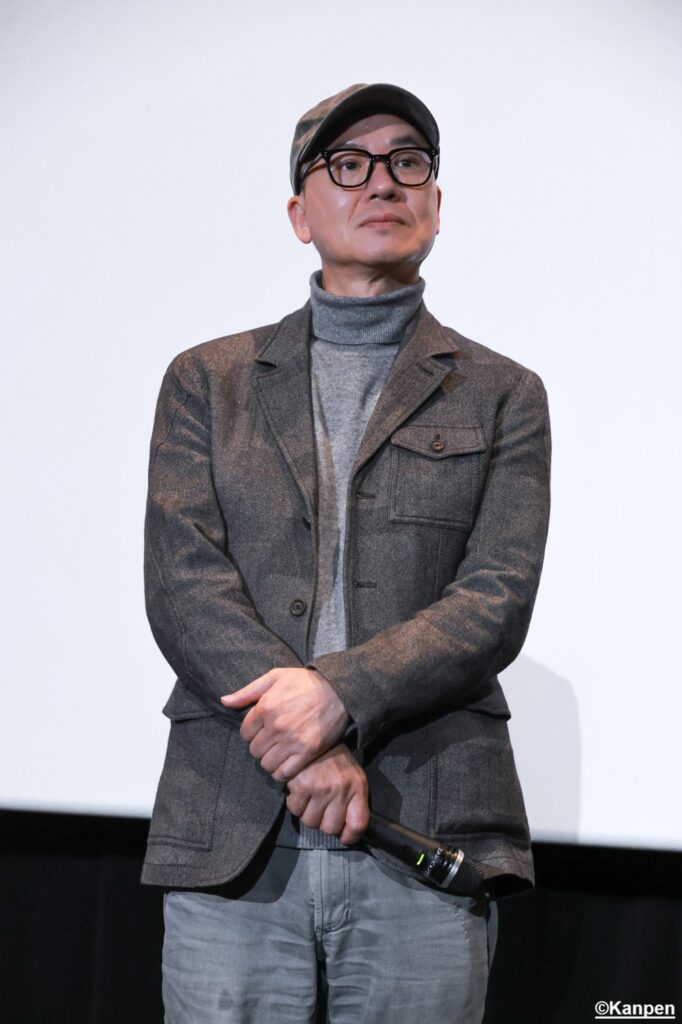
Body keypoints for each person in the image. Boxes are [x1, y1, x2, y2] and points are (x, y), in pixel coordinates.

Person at [141, 82, 551, 1023]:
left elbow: (496, 596)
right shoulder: (208, 380)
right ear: (300, 214)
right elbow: (183, 582)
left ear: (436, 202)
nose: (383, 183)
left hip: (424, 819)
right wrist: (305, 748)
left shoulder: (504, 393)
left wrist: (336, 695)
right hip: (232, 824)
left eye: (408, 162)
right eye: (349, 164)